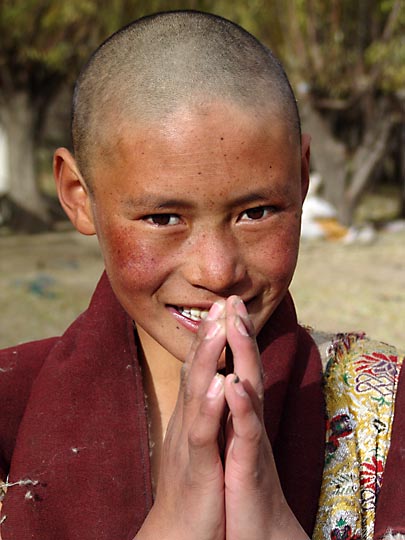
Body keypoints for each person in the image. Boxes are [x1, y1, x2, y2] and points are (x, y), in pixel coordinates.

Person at [0, 10, 404, 540]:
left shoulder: (385, 410)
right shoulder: (10, 405)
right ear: (79, 195)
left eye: (256, 212)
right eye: (163, 219)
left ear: (302, 179)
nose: (217, 272)